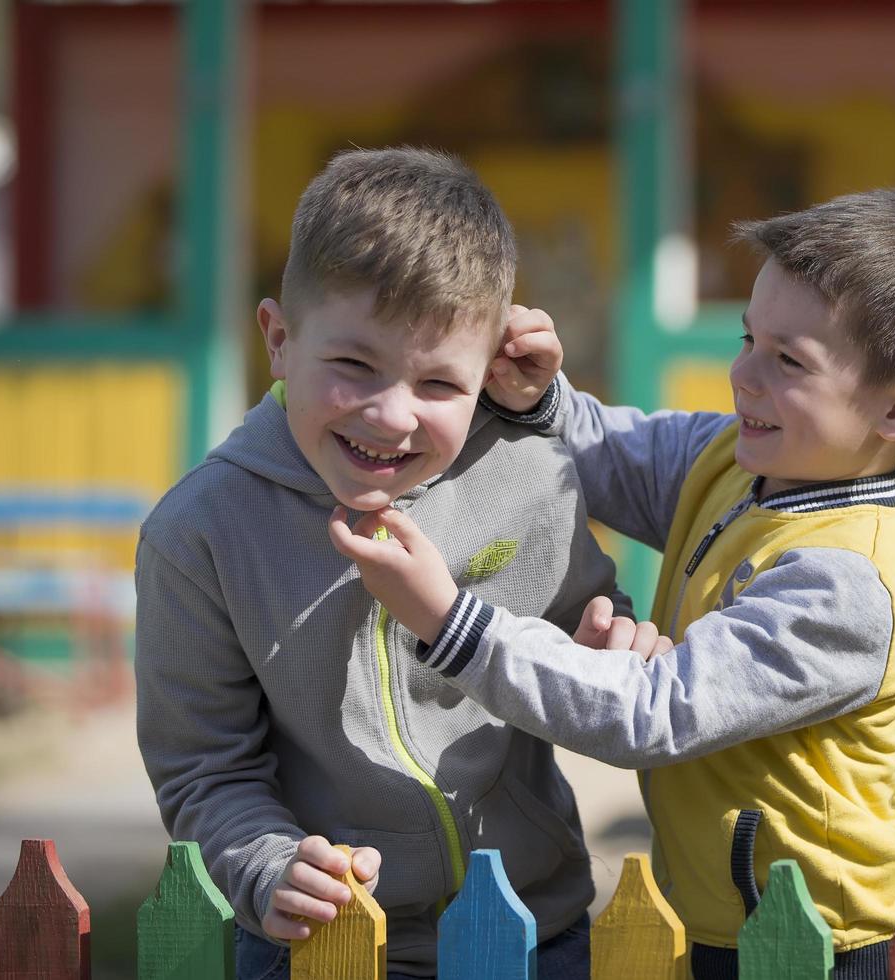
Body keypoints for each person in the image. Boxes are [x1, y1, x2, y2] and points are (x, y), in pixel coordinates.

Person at [329, 189, 895, 979]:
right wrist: (538, 396)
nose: (743, 374)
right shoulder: (736, 461)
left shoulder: (844, 585)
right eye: (747, 337)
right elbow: (608, 452)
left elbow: (650, 712)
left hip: (824, 941)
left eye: (788, 360)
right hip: (723, 921)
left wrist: (449, 620)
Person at [135, 146, 653, 980]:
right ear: (277, 338)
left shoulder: (530, 473)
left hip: (534, 929)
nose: (390, 415)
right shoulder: (199, 533)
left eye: (439, 384)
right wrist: (269, 865)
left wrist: (608, 651)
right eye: (353, 366)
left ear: (488, 373)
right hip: (320, 945)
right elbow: (203, 767)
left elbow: (585, 643)